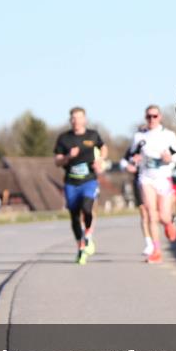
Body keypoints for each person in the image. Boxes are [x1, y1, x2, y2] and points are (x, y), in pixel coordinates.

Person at [127, 105, 176, 263]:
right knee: (151, 214)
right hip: (146, 178)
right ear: (145, 118)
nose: (151, 119)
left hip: (163, 177)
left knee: (163, 215)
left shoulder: (168, 135)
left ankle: (168, 223)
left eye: (154, 116)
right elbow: (131, 155)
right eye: (148, 116)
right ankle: (156, 250)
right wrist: (134, 160)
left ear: (160, 117)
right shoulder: (139, 136)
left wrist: (170, 158)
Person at [53, 107, 107, 264]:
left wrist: (101, 160)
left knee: (87, 208)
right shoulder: (64, 138)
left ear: (85, 120)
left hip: (89, 180)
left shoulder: (92, 135)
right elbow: (57, 161)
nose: (76, 121)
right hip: (71, 182)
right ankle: (81, 247)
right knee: (74, 216)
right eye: (73, 118)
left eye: (79, 118)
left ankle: (88, 234)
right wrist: (68, 156)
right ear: (70, 120)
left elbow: (103, 148)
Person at [121, 123, 155, 256]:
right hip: (138, 181)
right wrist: (128, 167)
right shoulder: (133, 148)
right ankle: (149, 243)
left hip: (154, 181)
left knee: (153, 213)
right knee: (144, 212)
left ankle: (155, 240)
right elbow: (123, 162)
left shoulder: (155, 146)